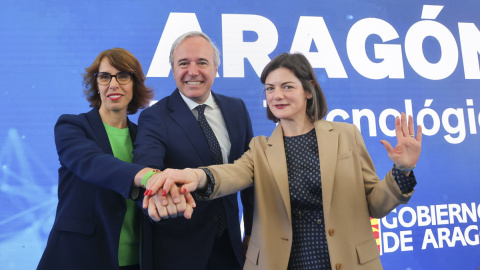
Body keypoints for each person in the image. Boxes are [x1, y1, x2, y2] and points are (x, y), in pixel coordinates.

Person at [146, 52, 423, 270]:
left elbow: (375, 204)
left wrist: (402, 169)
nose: (276, 95)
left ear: (309, 90)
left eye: (287, 86)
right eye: (270, 89)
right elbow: (232, 174)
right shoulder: (260, 149)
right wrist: (197, 176)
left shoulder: (346, 135)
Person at [37, 48, 194, 270]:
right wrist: (148, 176)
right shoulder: (72, 126)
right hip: (78, 257)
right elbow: (92, 162)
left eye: (123, 76)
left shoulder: (145, 137)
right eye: (104, 77)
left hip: (136, 260)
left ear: (134, 84)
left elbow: (156, 197)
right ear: (97, 84)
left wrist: (173, 198)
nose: (113, 84)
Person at [132, 31, 254, 270]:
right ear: (173, 69)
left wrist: (251, 232)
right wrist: (160, 194)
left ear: (216, 68)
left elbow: (250, 177)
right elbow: (145, 170)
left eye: (202, 62)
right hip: (179, 252)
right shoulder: (155, 117)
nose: (192, 71)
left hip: (231, 248)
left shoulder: (236, 108)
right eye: (183, 63)